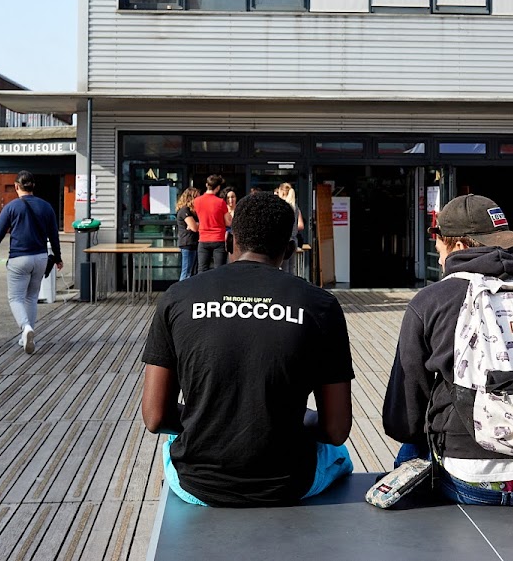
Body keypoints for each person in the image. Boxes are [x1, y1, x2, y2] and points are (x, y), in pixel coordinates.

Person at [141, 192, 354, 506]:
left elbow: (155, 417)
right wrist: (296, 418)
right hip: (289, 482)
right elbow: (336, 430)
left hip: (197, 484)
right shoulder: (321, 306)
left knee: (173, 438)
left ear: (229, 244)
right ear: (291, 251)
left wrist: (208, 416)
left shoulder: (177, 297)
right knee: (339, 455)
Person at [383, 194, 513, 505]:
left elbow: (403, 420)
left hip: (469, 480)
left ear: (457, 247)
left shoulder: (431, 302)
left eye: (439, 249)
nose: (439, 258)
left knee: (411, 448)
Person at [0, 171, 63, 354]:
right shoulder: (46, 207)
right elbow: (54, 235)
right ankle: (25, 337)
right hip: (40, 258)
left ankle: (25, 328)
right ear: (33, 186)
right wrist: (58, 257)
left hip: (19, 258)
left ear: (17, 186)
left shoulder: (11, 207)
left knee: (15, 298)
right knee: (31, 297)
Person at [191, 174, 231, 273]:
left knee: (202, 269)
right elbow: (228, 222)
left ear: (206, 185)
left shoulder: (197, 201)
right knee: (219, 270)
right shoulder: (220, 202)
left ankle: (202, 288)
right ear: (217, 188)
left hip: (203, 238)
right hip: (218, 238)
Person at [275, 182, 305, 275]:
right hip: (293, 240)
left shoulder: (282, 207)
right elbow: (300, 225)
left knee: (283, 269)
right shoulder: (295, 207)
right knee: (291, 268)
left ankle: (284, 288)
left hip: (284, 240)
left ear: (282, 193)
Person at [175, 187, 200, 281]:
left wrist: (197, 224)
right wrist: (196, 224)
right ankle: (181, 294)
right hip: (187, 243)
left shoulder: (192, 212)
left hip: (193, 243)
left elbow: (194, 226)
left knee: (191, 271)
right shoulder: (185, 211)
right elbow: (194, 227)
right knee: (186, 272)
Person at [223, 187, 237, 257]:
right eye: (228, 198)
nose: (231, 200)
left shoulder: (239, 210)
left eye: (233, 197)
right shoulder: (222, 211)